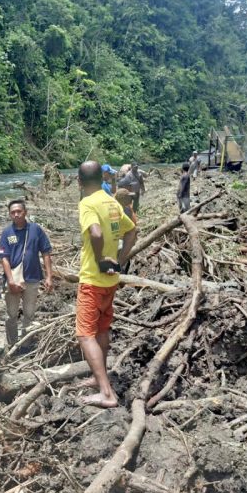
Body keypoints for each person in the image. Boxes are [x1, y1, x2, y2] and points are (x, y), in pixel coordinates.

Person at [76, 161, 137, 408]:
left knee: (85, 335)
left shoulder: (87, 203)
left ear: (79, 182)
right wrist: (119, 260)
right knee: (101, 330)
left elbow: (96, 233)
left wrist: (101, 259)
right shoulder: (112, 202)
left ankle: (106, 393)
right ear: (102, 178)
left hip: (92, 279)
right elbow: (132, 231)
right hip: (110, 280)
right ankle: (98, 377)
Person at [0, 199, 54, 347]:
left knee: (29, 314)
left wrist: (49, 277)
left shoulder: (35, 229)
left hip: (32, 278)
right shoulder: (7, 232)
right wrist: (10, 280)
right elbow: (4, 258)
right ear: (9, 214)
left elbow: (46, 252)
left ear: (25, 212)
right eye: (13, 212)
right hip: (13, 279)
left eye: (19, 211)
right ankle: (12, 344)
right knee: (11, 314)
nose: (16, 214)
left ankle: (25, 344)